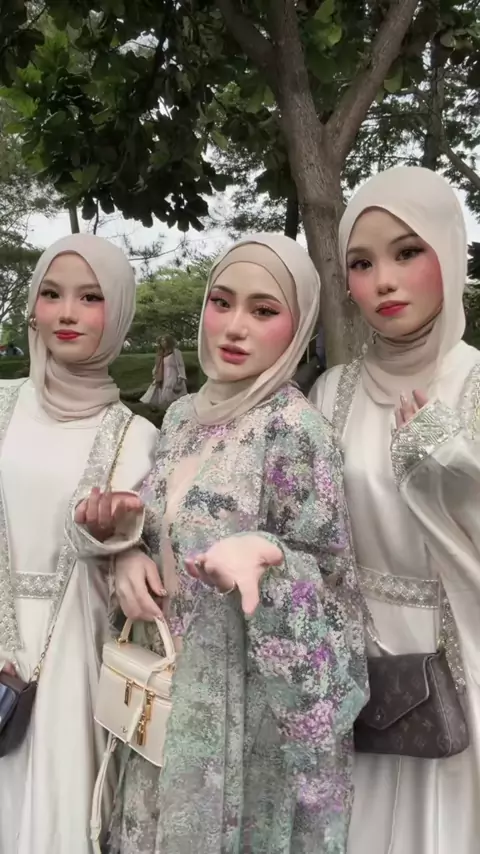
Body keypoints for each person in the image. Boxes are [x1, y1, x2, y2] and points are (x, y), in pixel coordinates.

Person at [72, 233, 368, 854]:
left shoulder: (295, 431)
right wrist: (125, 546)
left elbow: (335, 587)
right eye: (222, 302)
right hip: (163, 691)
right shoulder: (184, 417)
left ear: (299, 325)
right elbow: (170, 531)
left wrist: (270, 558)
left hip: (242, 717)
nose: (235, 326)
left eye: (263, 310)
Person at [309, 166, 480, 854]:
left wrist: (450, 467)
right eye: (362, 263)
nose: (383, 280)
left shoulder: (473, 383)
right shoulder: (331, 393)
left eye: (407, 252)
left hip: (459, 662)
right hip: (356, 669)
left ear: (450, 251)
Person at [0, 233, 158, 854]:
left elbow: (143, 551)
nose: (67, 313)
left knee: (60, 809)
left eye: (91, 297)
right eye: (52, 294)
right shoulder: (3, 405)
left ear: (117, 313)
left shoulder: (136, 436)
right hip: (4, 628)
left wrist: (122, 540)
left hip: (77, 649)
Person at [141, 334, 187, 406]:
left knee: (171, 394)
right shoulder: (161, 354)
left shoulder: (176, 352)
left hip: (173, 376)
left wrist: (181, 377)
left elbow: (181, 365)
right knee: (161, 394)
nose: (163, 342)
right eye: (162, 341)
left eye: (164, 340)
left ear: (169, 341)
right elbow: (157, 365)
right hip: (163, 376)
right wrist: (155, 374)